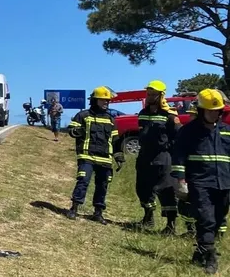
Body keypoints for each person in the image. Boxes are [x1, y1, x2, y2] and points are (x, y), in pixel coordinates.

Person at [171, 88, 230, 275]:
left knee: (219, 219)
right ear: (201, 111)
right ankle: (210, 258)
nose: (213, 114)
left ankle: (200, 251)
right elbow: (179, 155)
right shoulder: (189, 131)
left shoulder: (227, 132)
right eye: (209, 110)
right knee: (206, 219)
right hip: (200, 182)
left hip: (224, 183)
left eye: (216, 110)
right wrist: (180, 180)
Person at [66, 86, 123, 222]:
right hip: (87, 156)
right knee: (83, 181)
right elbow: (71, 130)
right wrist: (78, 131)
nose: (106, 103)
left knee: (103, 184)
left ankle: (98, 213)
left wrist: (119, 157)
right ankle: (74, 208)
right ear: (95, 100)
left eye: (107, 101)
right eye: (103, 100)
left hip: (105, 159)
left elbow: (115, 140)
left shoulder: (111, 119)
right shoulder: (83, 115)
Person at [135, 80, 181, 233]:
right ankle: (148, 218)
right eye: (148, 93)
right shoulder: (142, 113)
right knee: (143, 188)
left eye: (153, 94)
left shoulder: (170, 116)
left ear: (161, 95)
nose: (149, 96)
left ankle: (170, 225)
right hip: (144, 157)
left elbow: (178, 138)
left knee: (167, 191)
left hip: (163, 158)